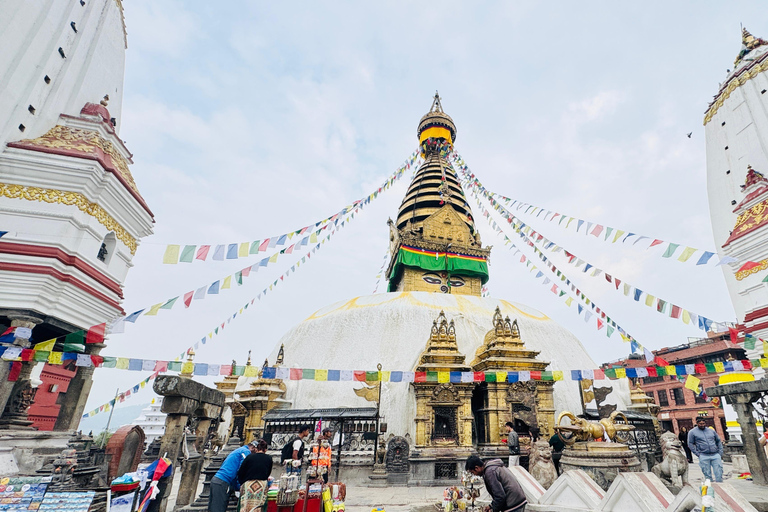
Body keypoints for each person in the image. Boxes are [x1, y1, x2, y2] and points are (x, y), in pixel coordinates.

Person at [209, 440, 257, 512]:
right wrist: (238, 487)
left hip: (217, 480)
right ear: (253, 448)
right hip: (224, 481)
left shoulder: (239, 450)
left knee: (214, 508)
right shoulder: (246, 452)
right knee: (219, 508)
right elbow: (241, 470)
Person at [237, 439, 273, 512]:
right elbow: (268, 472)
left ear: (256, 449)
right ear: (265, 450)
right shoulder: (269, 458)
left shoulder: (249, 457)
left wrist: (242, 483)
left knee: (245, 506)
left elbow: (241, 472)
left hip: (248, 485)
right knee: (259, 506)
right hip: (261, 485)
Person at [687, 417, 723, 482]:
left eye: (703, 423)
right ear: (697, 423)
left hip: (715, 454)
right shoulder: (692, 432)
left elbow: (718, 441)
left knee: (719, 471)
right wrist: (697, 454)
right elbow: (690, 443)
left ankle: (720, 485)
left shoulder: (711, 431)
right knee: (707, 473)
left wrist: (720, 452)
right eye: (700, 424)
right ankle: (711, 487)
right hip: (703, 455)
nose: (702, 425)